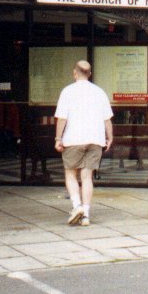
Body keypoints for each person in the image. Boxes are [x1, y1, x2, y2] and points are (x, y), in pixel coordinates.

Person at [54, 60, 113, 227]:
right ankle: (86, 214)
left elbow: (62, 118)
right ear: (90, 74)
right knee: (87, 177)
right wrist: (110, 137)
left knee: (70, 174)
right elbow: (107, 119)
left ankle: (76, 206)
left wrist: (58, 138)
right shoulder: (99, 92)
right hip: (95, 139)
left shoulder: (67, 91)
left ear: (74, 73)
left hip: (73, 139)